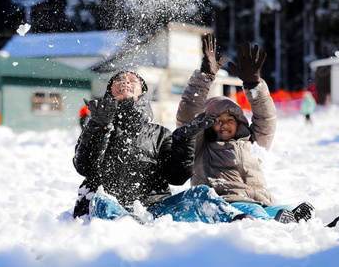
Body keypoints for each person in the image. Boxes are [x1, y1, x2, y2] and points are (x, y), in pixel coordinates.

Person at [176, 35, 339, 226]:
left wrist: (254, 85)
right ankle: (281, 227)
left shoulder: (251, 143)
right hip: (228, 204)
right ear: (207, 124)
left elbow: (266, 119)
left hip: (263, 202)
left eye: (230, 119)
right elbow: (187, 116)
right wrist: (205, 76)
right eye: (217, 121)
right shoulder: (201, 146)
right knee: (258, 214)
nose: (225, 124)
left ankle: (319, 228)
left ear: (239, 123)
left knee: (289, 210)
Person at [72, 71, 244, 223]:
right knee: (101, 201)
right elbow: (85, 167)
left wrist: (184, 142)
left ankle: (238, 221)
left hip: (155, 210)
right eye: (118, 80)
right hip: (108, 207)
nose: (125, 82)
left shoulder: (160, 133)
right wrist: (99, 126)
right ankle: (130, 227)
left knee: (201, 194)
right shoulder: (98, 127)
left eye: (133, 80)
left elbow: (176, 177)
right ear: (110, 91)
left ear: (142, 93)